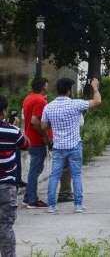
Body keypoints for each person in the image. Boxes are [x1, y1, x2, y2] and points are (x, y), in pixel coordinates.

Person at [41, 77, 101, 214]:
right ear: (69, 90)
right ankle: (78, 205)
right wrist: (95, 88)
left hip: (58, 147)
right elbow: (97, 101)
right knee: (76, 175)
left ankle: (51, 206)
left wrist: (54, 124)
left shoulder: (48, 107)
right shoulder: (76, 104)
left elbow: (43, 125)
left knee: (54, 176)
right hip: (74, 146)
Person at [0, 94, 29, 257]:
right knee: (5, 226)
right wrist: (15, 126)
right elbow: (26, 144)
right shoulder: (12, 131)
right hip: (6, 187)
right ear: (4, 111)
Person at [21, 77, 50, 209]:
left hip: (29, 138)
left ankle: (28, 197)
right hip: (37, 139)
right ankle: (32, 200)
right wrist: (45, 137)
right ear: (43, 86)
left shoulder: (29, 98)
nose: (47, 87)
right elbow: (35, 121)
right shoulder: (39, 100)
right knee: (35, 169)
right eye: (46, 85)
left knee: (36, 168)